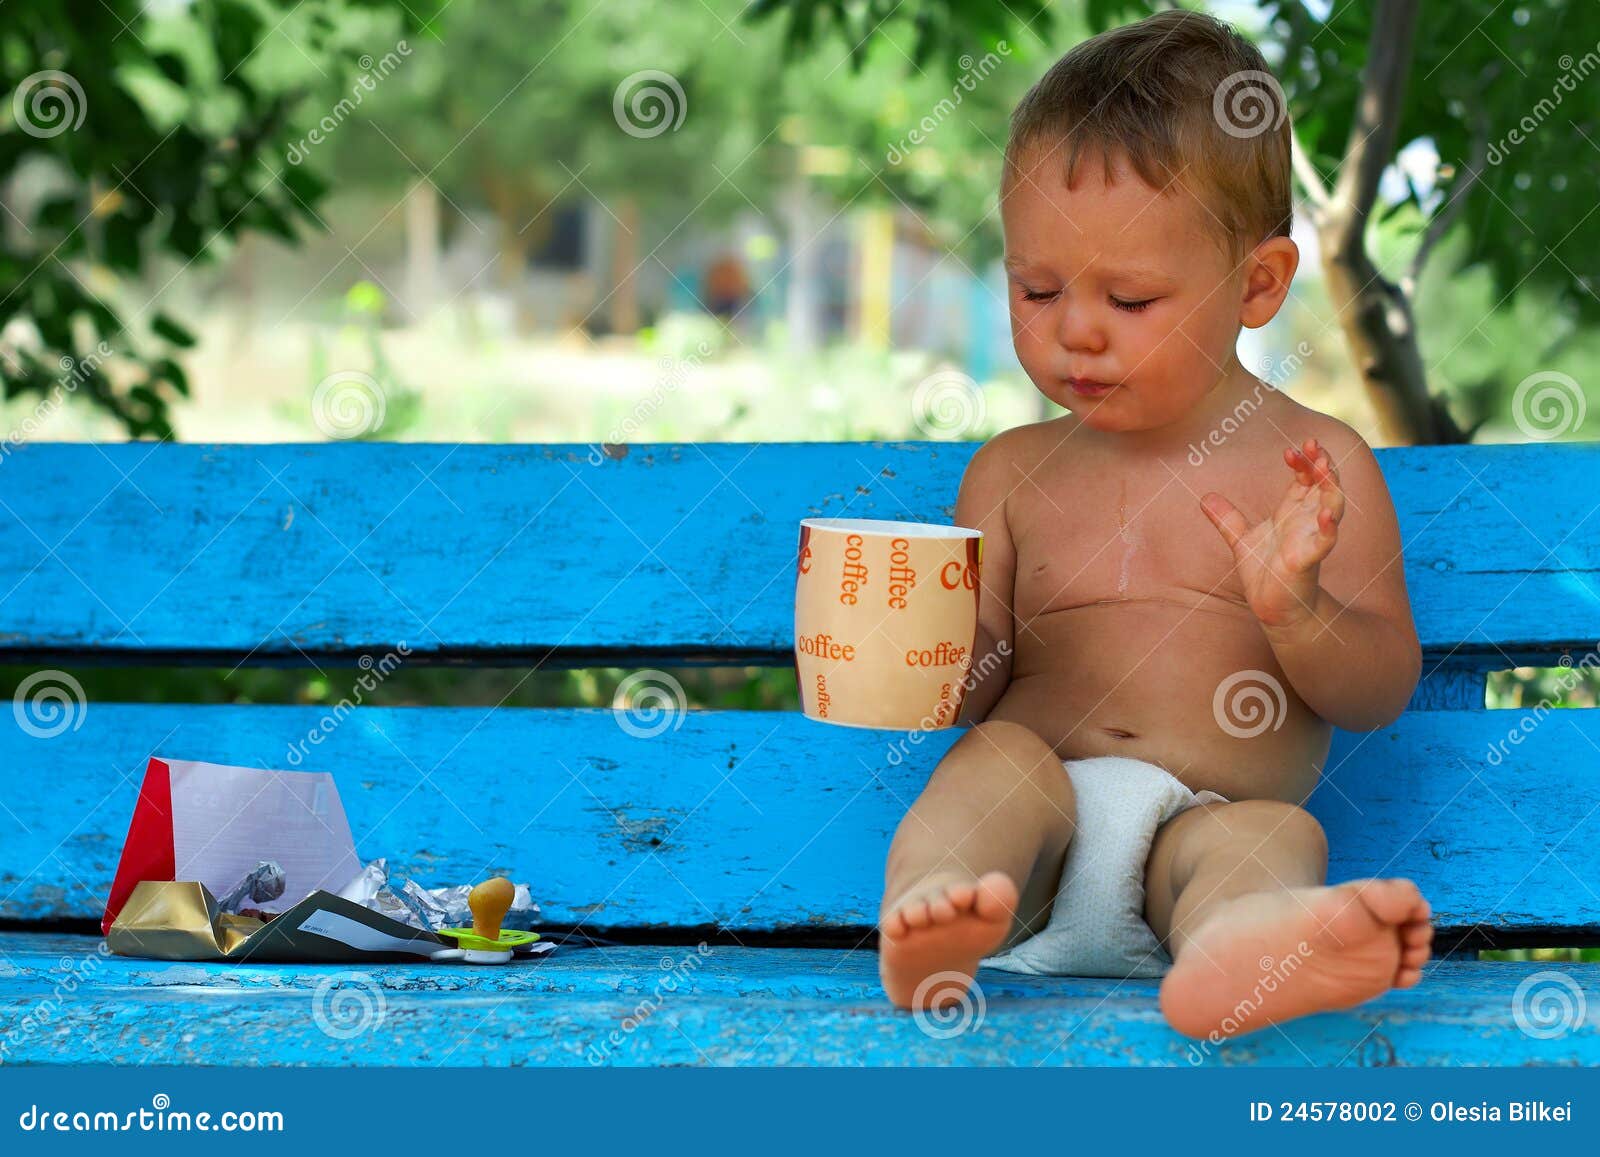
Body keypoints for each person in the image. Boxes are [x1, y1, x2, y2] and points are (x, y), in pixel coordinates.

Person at [875, 9, 1433, 1040]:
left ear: (1257, 285)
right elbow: (969, 690)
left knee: (1269, 837)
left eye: (1128, 299)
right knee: (992, 763)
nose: (1073, 329)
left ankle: (1235, 954)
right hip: (1031, 860)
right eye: (1036, 288)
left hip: (1200, 834)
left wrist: (1296, 609)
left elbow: (1378, 688)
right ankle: (933, 912)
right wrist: (913, 656)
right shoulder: (1009, 472)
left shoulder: (1316, 471)